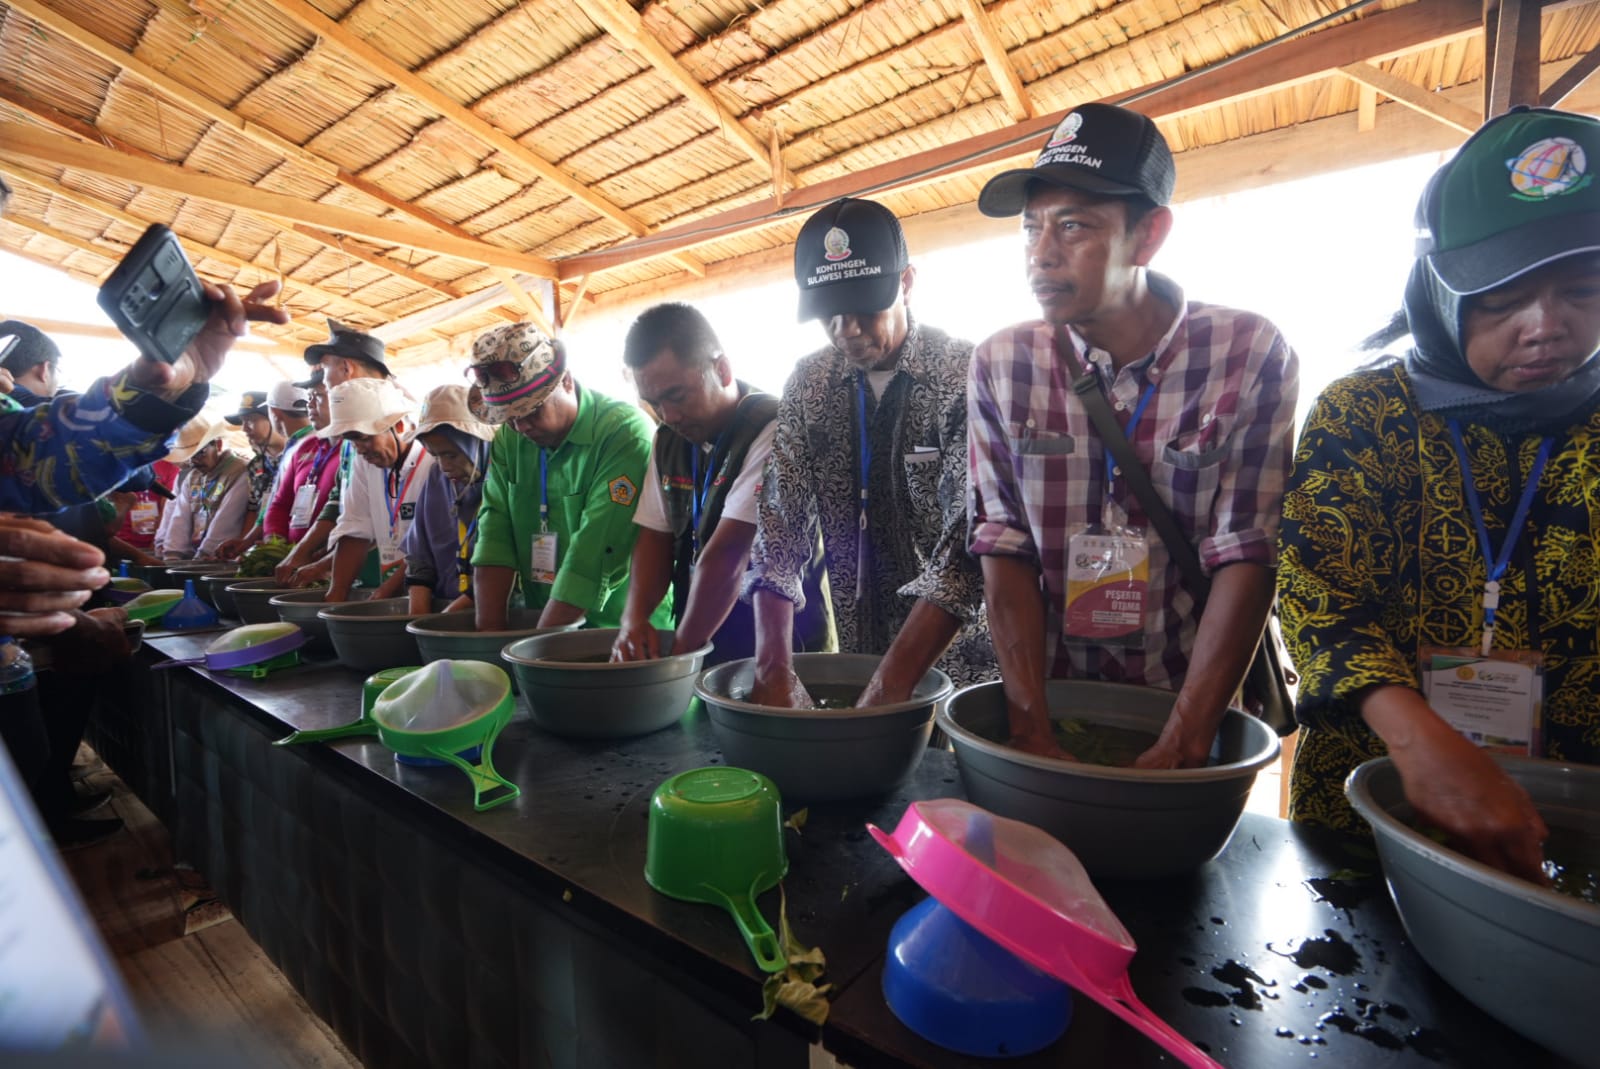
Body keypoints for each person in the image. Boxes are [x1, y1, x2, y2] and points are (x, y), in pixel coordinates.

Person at [1278, 107, 1600, 882]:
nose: (1543, 326)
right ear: (1439, 290)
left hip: (1565, 836)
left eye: (1584, 289)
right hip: (1367, 814)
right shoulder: (1366, 416)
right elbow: (1316, 594)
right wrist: (1419, 739)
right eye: (1499, 297)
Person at [966, 103, 1298, 767]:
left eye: (1073, 227)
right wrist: (1032, 727)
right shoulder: (1003, 363)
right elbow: (1003, 545)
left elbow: (1247, 552)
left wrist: (1185, 736)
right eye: (1031, 228)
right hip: (1051, 700)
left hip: (1185, 700)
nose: (1040, 254)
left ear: (1148, 236)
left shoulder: (1246, 351)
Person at [744, 198, 991, 708]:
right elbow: (780, 527)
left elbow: (966, 550)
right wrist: (773, 665)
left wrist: (891, 686)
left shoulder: (964, 375)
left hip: (962, 668)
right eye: (828, 313)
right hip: (859, 655)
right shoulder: (810, 385)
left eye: (863, 306)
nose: (846, 329)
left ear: (906, 282)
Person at [612, 303, 832, 665]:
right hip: (702, 635)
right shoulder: (668, 439)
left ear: (723, 369)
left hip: (781, 648)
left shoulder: (775, 428)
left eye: (677, 396)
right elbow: (655, 537)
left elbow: (729, 557)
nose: (669, 416)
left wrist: (677, 662)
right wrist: (633, 620)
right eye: (653, 403)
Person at [469, 322, 667, 632]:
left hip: (619, 630)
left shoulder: (624, 434)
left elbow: (596, 548)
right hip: (543, 619)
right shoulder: (510, 440)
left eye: (533, 411)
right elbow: (494, 530)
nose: (521, 428)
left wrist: (536, 651)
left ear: (567, 382)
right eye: (510, 419)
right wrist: (488, 639)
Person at [275, 323, 393, 586]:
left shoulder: (392, 424)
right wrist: (302, 555)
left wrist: (321, 564)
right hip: (359, 576)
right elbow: (341, 503)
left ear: (346, 368)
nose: (325, 384)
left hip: (395, 578)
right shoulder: (350, 433)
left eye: (325, 372)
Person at [316, 378, 434, 603]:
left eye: (364, 438)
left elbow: (429, 545)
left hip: (431, 593)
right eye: (351, 441)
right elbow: (355, 526)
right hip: (391, 587)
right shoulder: (365, 462)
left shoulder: (434, 461)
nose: (359, 450)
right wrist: (336, 595)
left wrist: (385, 592)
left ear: (399, 426)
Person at [402, 385, 495, 615]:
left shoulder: (503, 478)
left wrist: (448, 620)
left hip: (491, 611)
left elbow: (504, 569)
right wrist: (419, 622)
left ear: (476, 443)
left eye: (451, 454)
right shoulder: (436, 477)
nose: (444, 466)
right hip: (443, 609)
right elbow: (420, 562)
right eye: (435, 455)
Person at [215, 382, 312, 559]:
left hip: (302, 550)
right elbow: (261, 510)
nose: (244, 429)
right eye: (243, 422)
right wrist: (246, 543)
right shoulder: (256, 465)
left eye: (251, 420)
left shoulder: (310, 448)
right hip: (279, 548)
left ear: (272, 414)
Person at [152, 419, 250, 561]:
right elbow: (180, 518)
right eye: (190, 457)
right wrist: (172, 555)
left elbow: (226, 522)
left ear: (218, 445)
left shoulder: (239, 471)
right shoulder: (192, 476)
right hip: (198, 556)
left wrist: (203, 555)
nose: (195, 461)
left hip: (221, 556)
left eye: (200, 453)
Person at [261, 368, 339, 548]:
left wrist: (304, 554)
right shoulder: (306, 446)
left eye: (318, 396)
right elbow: (280, 504)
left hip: (327, 558)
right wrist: (275, 544)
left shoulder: (354, 449)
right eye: (309, 397)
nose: (310, 404)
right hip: (292, 557)